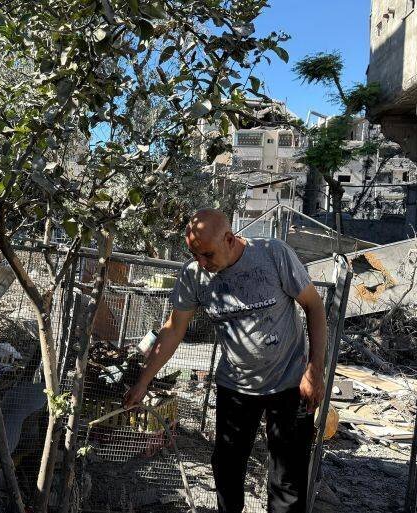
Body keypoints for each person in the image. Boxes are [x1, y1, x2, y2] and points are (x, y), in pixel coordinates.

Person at [123, 208, 327, 513]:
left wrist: (314, 370)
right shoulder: (194, 276)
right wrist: (143, 381)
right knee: (226, 468)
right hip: (236, 387)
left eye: (207, 254)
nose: (202, 264)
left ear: (230, 239)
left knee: (287, 480)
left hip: (289, 383)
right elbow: (173, 329)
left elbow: (315, 307)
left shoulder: (274, 255)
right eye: (195, 255)